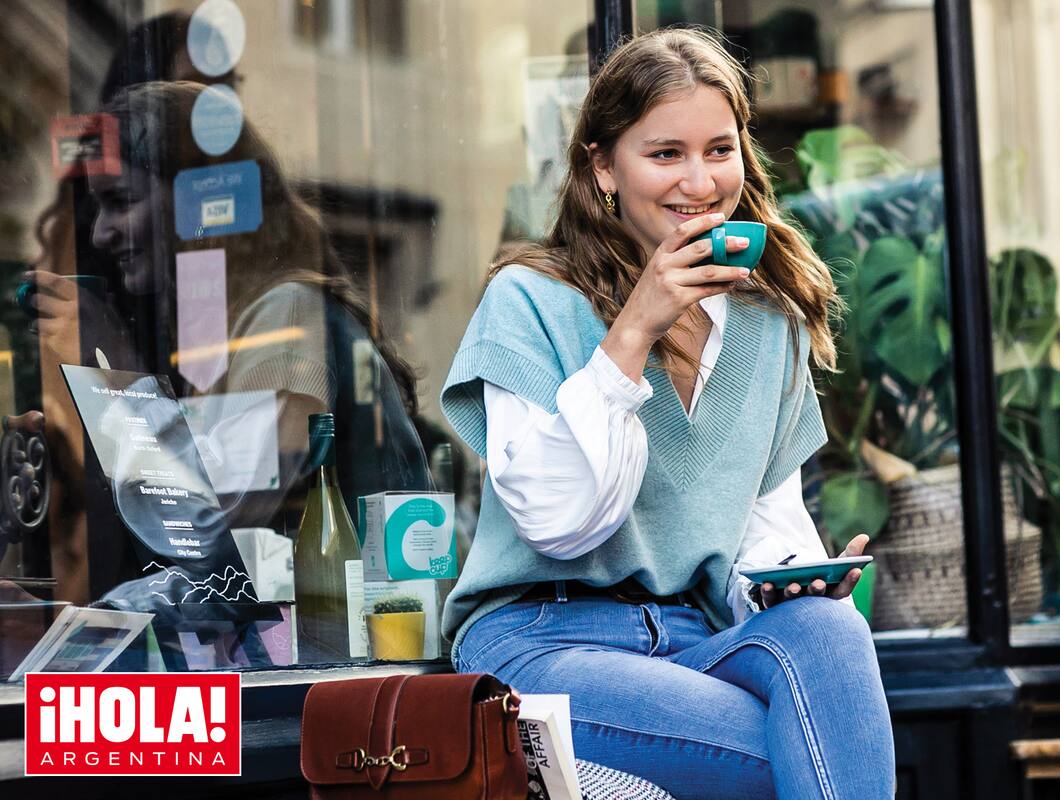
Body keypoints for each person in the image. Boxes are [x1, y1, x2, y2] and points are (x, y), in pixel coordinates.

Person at [440, 29, 894, 799]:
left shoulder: (767, 323)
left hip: (694, 639)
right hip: (544, 644)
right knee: (812, 747)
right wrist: (634, 333)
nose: (700, 180)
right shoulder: (529, 302)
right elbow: (559, 524)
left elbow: (762, 530)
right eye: (665, 154)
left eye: (719, 150)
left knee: (829, 629)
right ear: (603, 166)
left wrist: (790, 583)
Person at [28, 81, 431, 605]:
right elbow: (222, 579)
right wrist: (70, 626)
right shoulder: (226, 330)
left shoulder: (287, 316)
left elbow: (213, 531)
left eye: (120, 202)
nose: (102, 234)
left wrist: (118, 377)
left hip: (350, 645)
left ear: (201, 199)